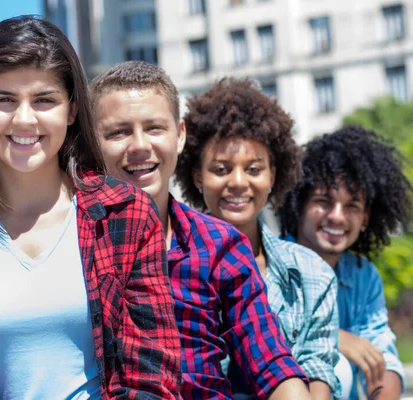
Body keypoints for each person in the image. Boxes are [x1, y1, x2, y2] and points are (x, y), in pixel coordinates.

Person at [0, 16, 181, 399]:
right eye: (3, 100)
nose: (24, 119)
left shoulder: (125, 213)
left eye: (44, 100)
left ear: (73, 109)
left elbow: (152, 373)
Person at [90, 61, 310, 400]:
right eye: (118, 132)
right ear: (92, 143)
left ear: (179, 136)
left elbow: (269, 360)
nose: (139, 146)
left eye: (154, 128)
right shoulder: (71, 241)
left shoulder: (220, 245)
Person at [176, 77, 341, 400]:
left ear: (272, 176)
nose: (238, 183)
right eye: (221, 169)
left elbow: (318, 368)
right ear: (197, 177)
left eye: (253, 169)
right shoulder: (172, 262)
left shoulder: (311, 273)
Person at [277, 127, 413, 400]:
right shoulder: (272, 261)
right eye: (323, 201)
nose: (337, 217)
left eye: (352, 206)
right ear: (299, 205)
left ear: (365, 218)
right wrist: (339, 339)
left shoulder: (363, 276)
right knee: (337, 365)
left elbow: (382, 358)